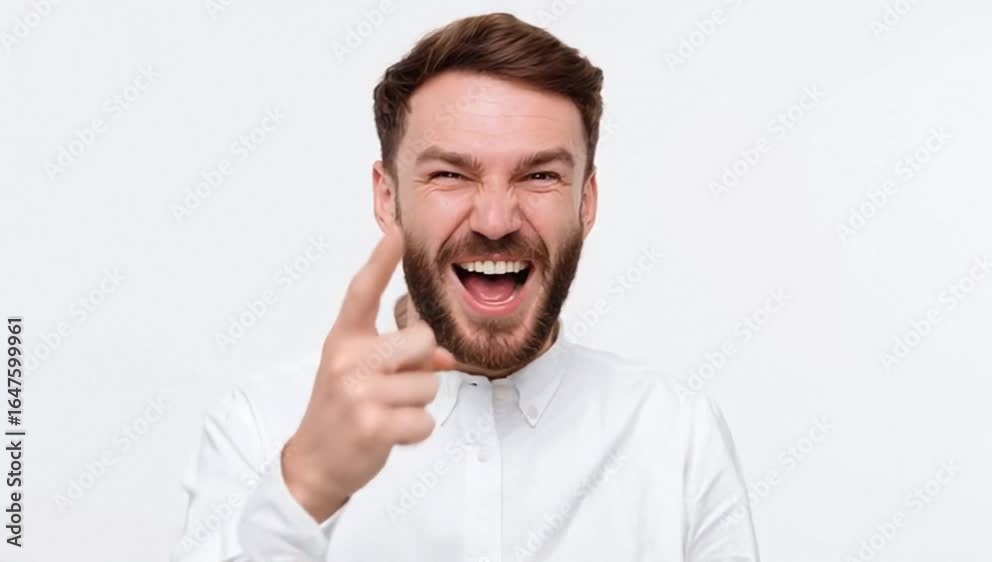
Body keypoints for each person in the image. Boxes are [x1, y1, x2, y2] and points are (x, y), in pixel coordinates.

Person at [174, 12, 760, 562]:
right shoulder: (262, 424)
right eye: (451, 174)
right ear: (387, 198)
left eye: (539, 176)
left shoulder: (677, 437)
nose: (496, 219)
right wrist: (304, 490)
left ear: (586, 201)